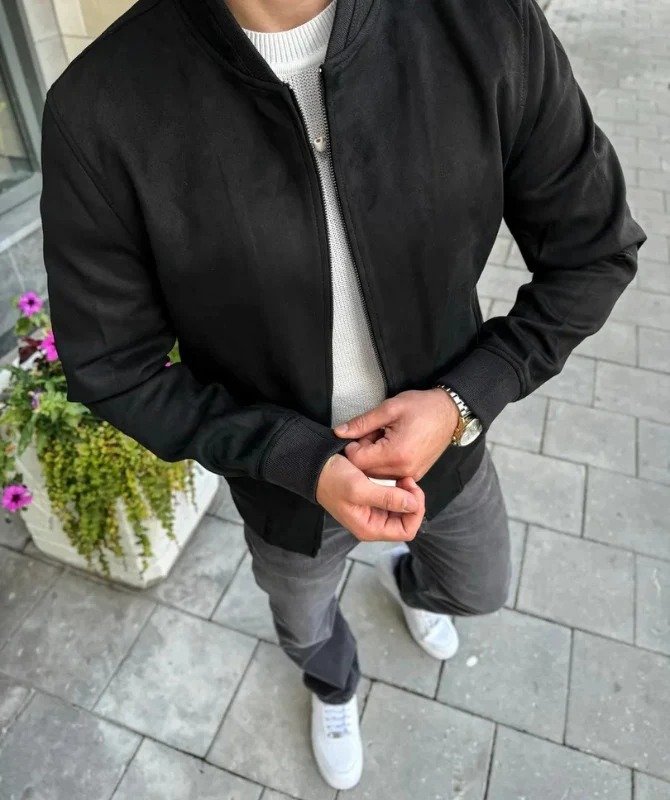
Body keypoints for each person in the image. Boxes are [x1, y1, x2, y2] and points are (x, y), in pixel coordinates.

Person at [39, 0, 646, 790]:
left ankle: (407, 579)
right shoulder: (103, 105)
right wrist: (296, 459)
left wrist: (462, 401)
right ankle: (334, 687)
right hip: (285, 487)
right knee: (305, 627)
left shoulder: (483, 22)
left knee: (479, 588)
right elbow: (114, 364)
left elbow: (595, 251)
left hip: (442, 446)